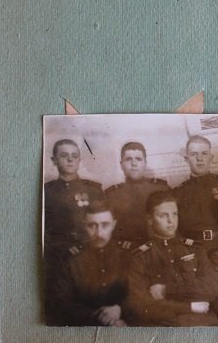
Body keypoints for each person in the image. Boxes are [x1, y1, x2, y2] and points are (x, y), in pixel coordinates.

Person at [127, 191, 218, 327]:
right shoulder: (141, 257)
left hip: (205, 322)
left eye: (174, 214)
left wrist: (168, 290)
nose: (171, 221)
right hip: (167, 326)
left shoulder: (194, 249)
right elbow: (142, 305)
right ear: (149, 219)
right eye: (163, 216)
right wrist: (190, 307)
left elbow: (212, 288)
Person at [43, 139, 104, 324]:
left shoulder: (93, 190)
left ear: (79, 160)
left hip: (88, 255)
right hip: (57, 257)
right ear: (54, 160)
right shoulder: (46, 191)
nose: (70, 160)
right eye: (64, 155)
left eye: (74, 156)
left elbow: (102, 224)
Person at [51, 199, 131, 326]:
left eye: (105, 225)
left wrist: (120, 309)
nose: (99, 233)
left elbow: (140, 295)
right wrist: (98, 317)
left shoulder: (129, 255)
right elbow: (60, 302)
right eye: (92, 225)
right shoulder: (70, 260)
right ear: (84, 225)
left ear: (114, 224)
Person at [173, 135, 218, 251]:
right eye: (193, 154)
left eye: (204, 153)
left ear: (211, 157)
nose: (199, 158)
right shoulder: (177, 193)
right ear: (186, 159)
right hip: (192, 249)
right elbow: (174, 230)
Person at [105, 142, 170, 243]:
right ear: (121, 165)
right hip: (124, 249)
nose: (134, 164)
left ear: (145, 163)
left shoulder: (161, 189)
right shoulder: (111, 194)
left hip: (156, 248)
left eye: (138, 159)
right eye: (128, 159)